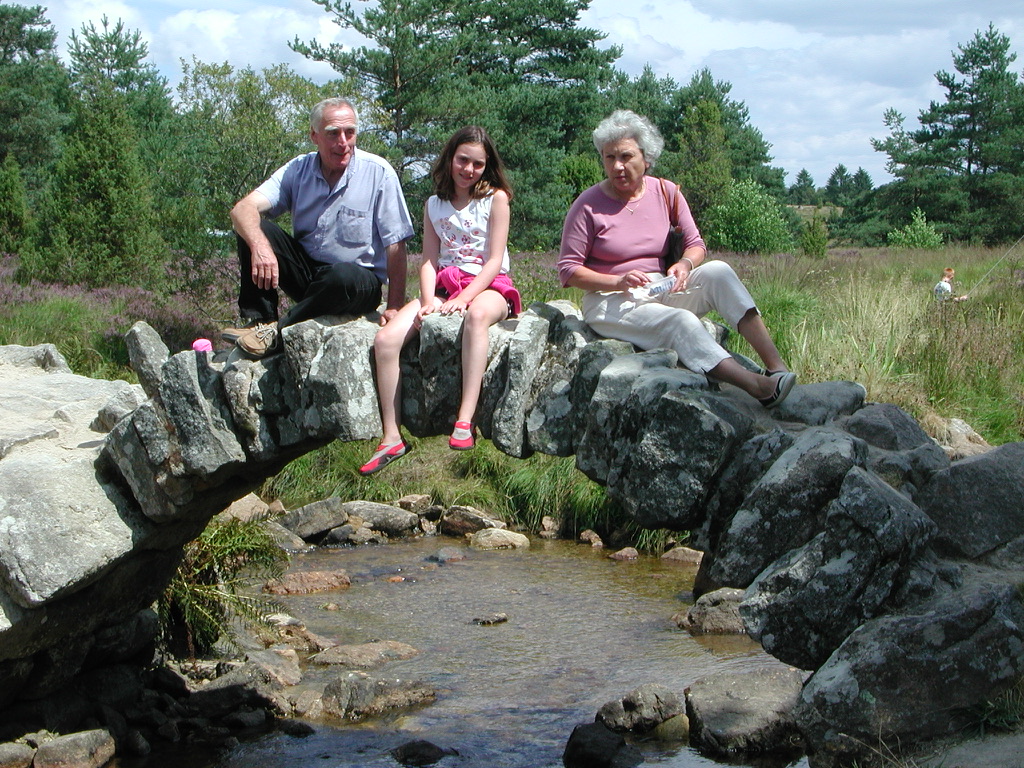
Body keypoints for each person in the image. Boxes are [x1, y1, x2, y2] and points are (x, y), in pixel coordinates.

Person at [558, 109, 796, 408]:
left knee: (719, 271)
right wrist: (618, 281)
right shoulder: (587, 204)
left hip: (661, 287)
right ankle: (759, 387)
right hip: (610, 300)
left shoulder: (666, 192)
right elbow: (568, 271)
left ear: (647, 158)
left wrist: (684, 265)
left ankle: (777, 367)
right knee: (681, 321)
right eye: (609, 158)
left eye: (626, 156)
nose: (617, 166)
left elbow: (696, 244)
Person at [359, 126, 520, 474]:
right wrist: (429, 301)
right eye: (463, 160)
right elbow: (429, 260)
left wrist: (464, 298)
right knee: (386, 340)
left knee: (476, 317)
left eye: (478, 164)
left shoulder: (496, 199)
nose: (468, 170)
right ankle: (391, 437)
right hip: (444, 286)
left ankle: (466, 418)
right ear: (450, 159)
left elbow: (494, 260)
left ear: (486, 166)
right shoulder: (434, 204)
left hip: (489, 286)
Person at [223, 97, 415, 358]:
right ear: (314, 135)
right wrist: (260, 247)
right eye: (333, 133)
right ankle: (259, 321)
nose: (343, 142)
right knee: (254, 229)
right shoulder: (298, 169)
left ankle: (277, 333)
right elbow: (241, 210)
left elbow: (396, 243)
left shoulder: (379, 173)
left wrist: (394, 306)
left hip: (356, 282)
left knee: (340, 276)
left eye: (350, 132)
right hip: (310, 275)